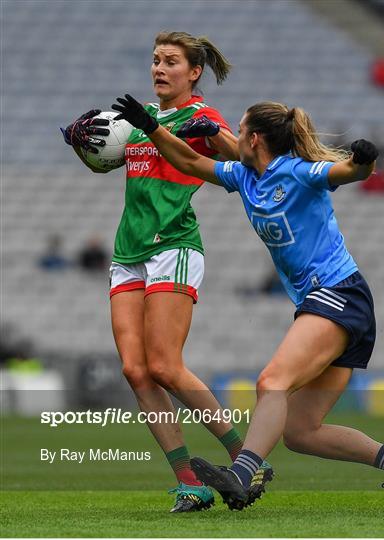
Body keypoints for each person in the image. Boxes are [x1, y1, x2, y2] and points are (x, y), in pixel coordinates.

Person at [110, 95, 384, 514]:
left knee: (271, 382)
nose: (231, 137)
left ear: (255, 138)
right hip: (325, 303)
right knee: (300, 433)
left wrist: (365, 162)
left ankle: (243, 475)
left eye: (238, 130)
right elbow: (191, 164)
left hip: (339, 294)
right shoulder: (244, 177)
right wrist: (153, 128)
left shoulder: (297, 173)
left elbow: (347, 171)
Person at [62, 31, 273, 513]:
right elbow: (104, 165)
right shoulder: (137, 121)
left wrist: (211, 134)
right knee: (136, 371)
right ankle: (189, 483)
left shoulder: (200, 116)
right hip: (128, 252)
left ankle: (246, 460)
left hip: (173, 246)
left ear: (193, 72)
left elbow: (236, 157)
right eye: (156, 60)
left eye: (171, 62)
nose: (159, 68)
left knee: (164, 366)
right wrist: (79, 143)